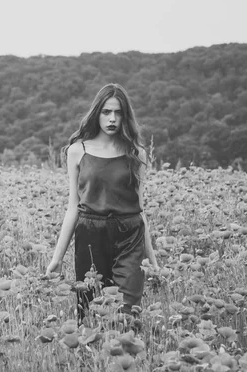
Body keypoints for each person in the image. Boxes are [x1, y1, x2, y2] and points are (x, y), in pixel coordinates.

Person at [45, 83, 159, 324]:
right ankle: (90, 362)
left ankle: (127, 354)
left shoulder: (136, 153)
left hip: (130, 236)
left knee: (127, 313)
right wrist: (57, 257)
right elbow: (73, 206)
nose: (112, 119)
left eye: (118, 113)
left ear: (125, 116)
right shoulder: (78, 151)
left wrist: (153, 260)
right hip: (91, 235)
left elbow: (140, 210)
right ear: (96, 113)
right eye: (106, 112)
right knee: (90, 311)